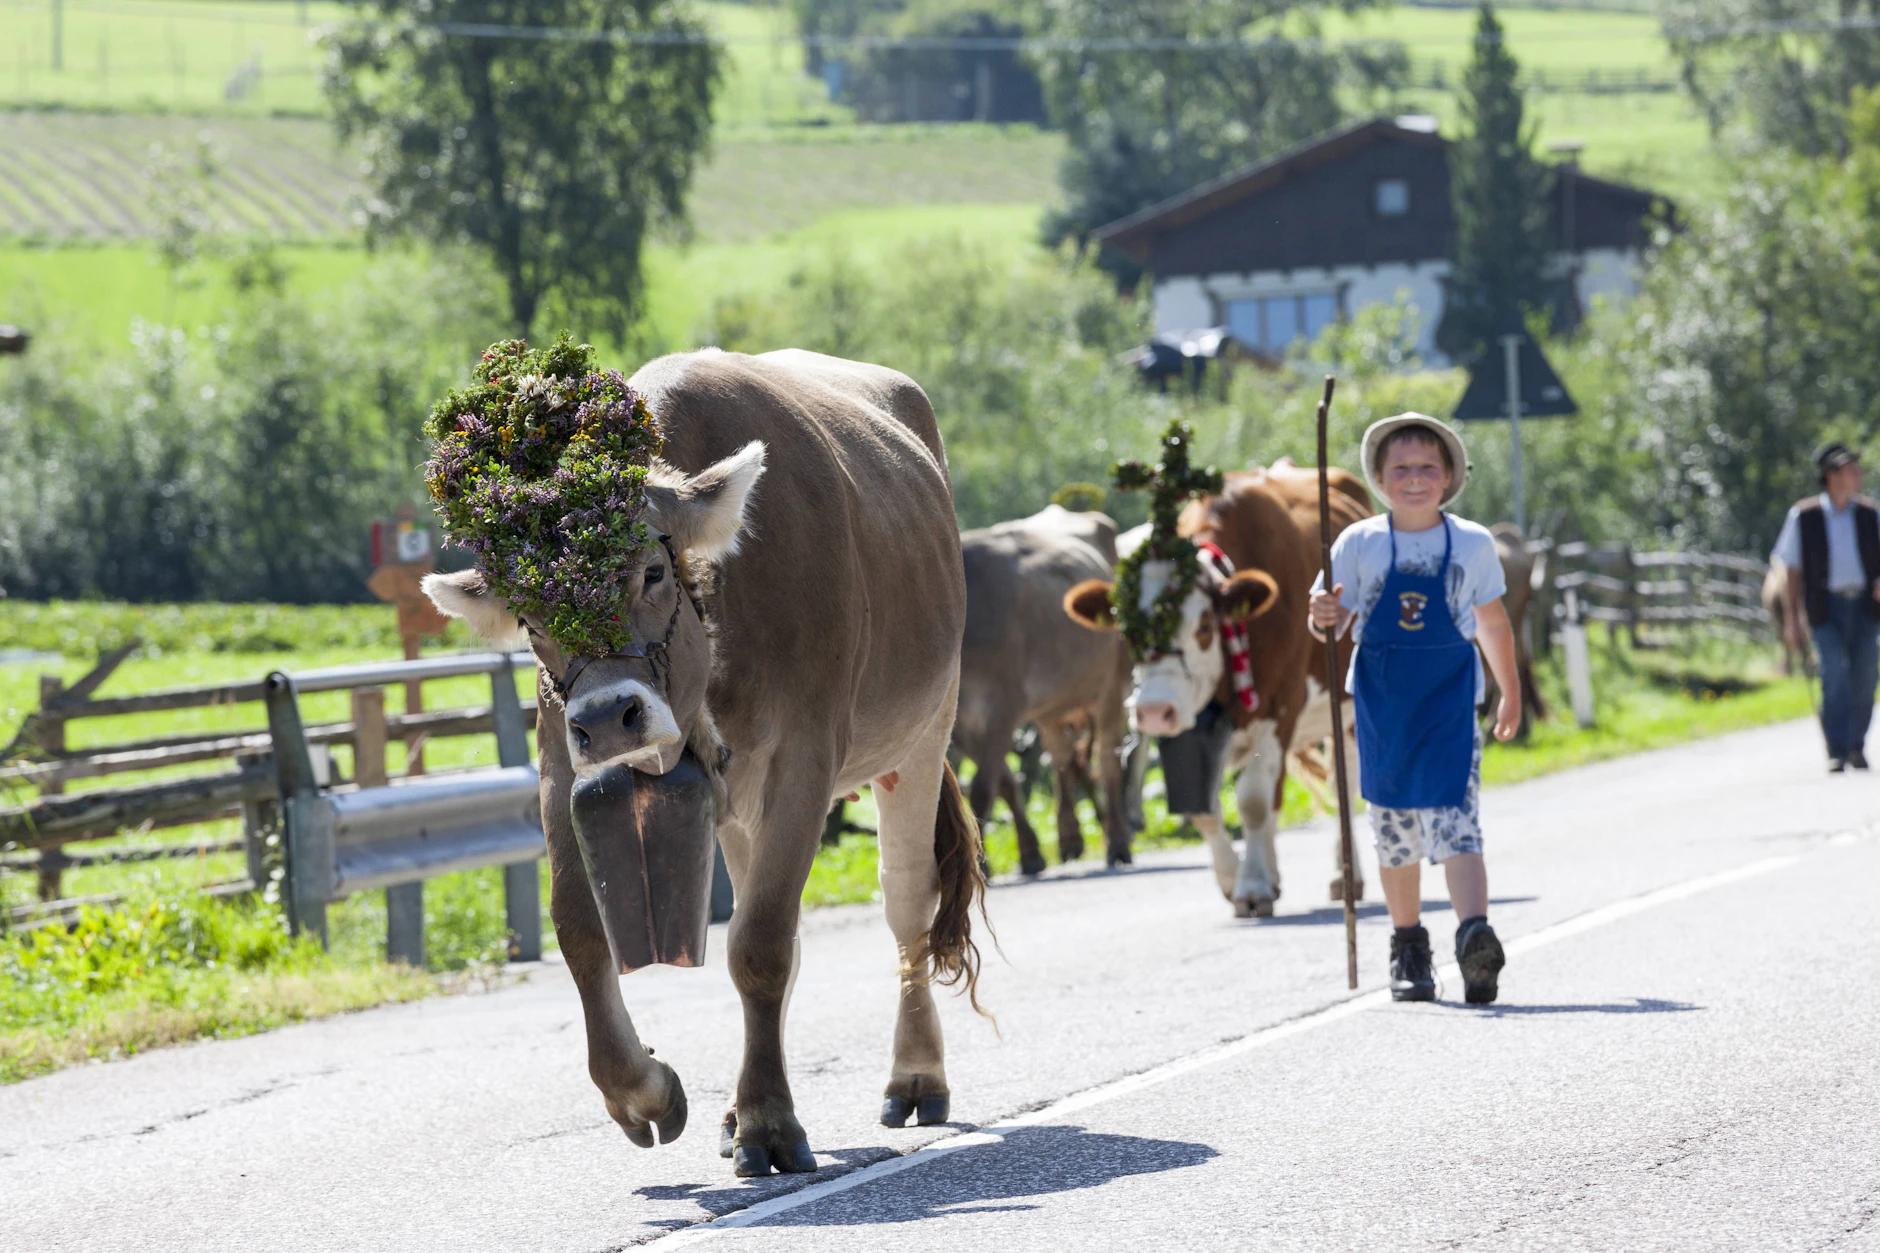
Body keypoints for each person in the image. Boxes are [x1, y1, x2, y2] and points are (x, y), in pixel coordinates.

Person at [1307, 414, 1522, 1004]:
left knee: (1458, 824)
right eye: (1401, 468)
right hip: (1382, 709)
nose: (1415, 478)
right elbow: (1331, 622)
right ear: (1379, 477)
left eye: (1428, 467)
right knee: (1394, 831)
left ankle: (1475, 937)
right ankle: (1408, 948)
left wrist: (1510, 690)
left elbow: (1493, 624)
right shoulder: (1359, 543)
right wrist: (1323, 616)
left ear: (1449, 475)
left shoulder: (1473, 543)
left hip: (1450, 704)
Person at [1771, 442, 1880, 773]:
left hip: (1863, 605)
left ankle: (1856, 745)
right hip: (1825, 608)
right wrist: (1792, 621)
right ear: (1831, 476)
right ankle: (1836, 749)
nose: (1857, 476)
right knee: (1833, 675)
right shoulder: (1804, 516)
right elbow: (1790, 568)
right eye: (1850, 470)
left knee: (1865, 677)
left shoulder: (1869, 513)